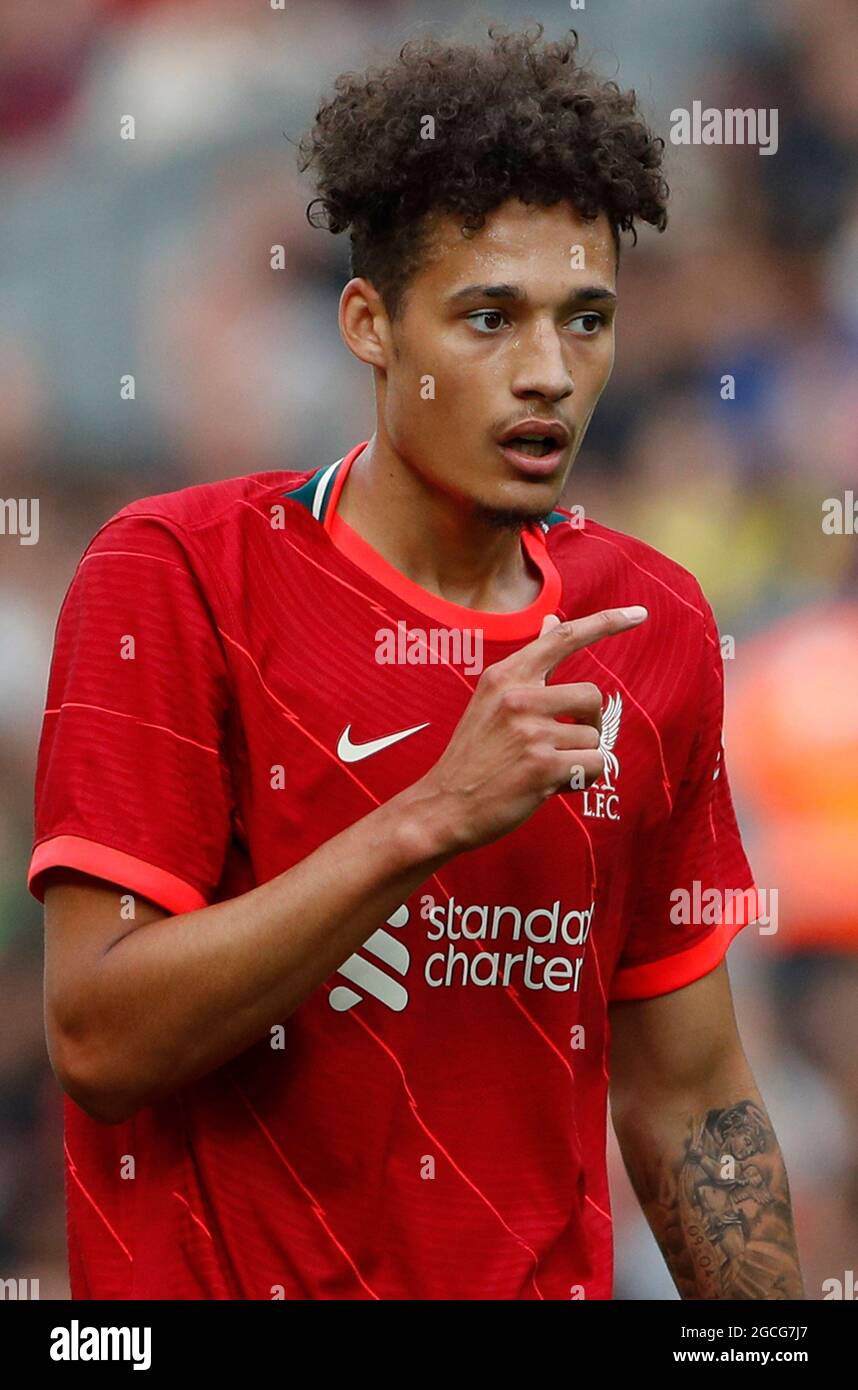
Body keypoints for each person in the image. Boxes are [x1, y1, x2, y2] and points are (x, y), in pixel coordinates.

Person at [29, 27, 804, 1300]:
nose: (549, 373)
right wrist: (433, 815)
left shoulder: (650, 623)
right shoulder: (174, 575)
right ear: (370, 324)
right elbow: (100, 1037)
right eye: (490, 318)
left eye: (587, 319)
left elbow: (691, 1095)